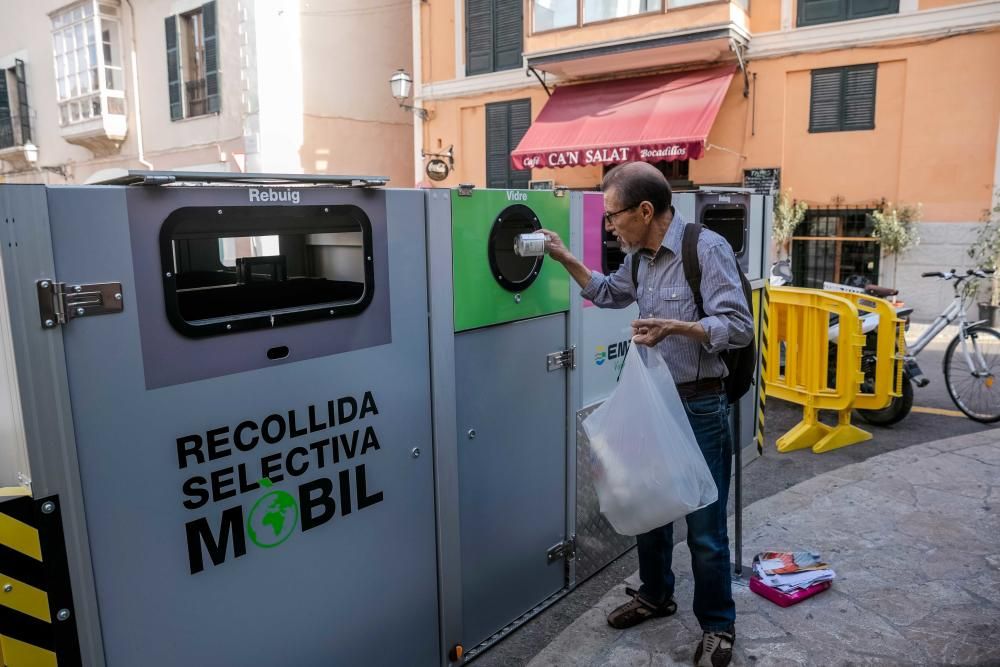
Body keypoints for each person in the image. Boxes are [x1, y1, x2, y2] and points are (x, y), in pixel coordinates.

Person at [540, 162, 753, 667]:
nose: (610, 226)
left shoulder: (705, 249)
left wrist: (677, 329)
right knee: (648, 505)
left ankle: (718, 625)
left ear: (645, 210)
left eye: (614, 216)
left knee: (703, 524)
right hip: (653, 399)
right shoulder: (638, 259)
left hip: (700, 402)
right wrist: (564, 256)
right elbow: (607, 293)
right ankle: (656, 595)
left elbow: (738, 326)